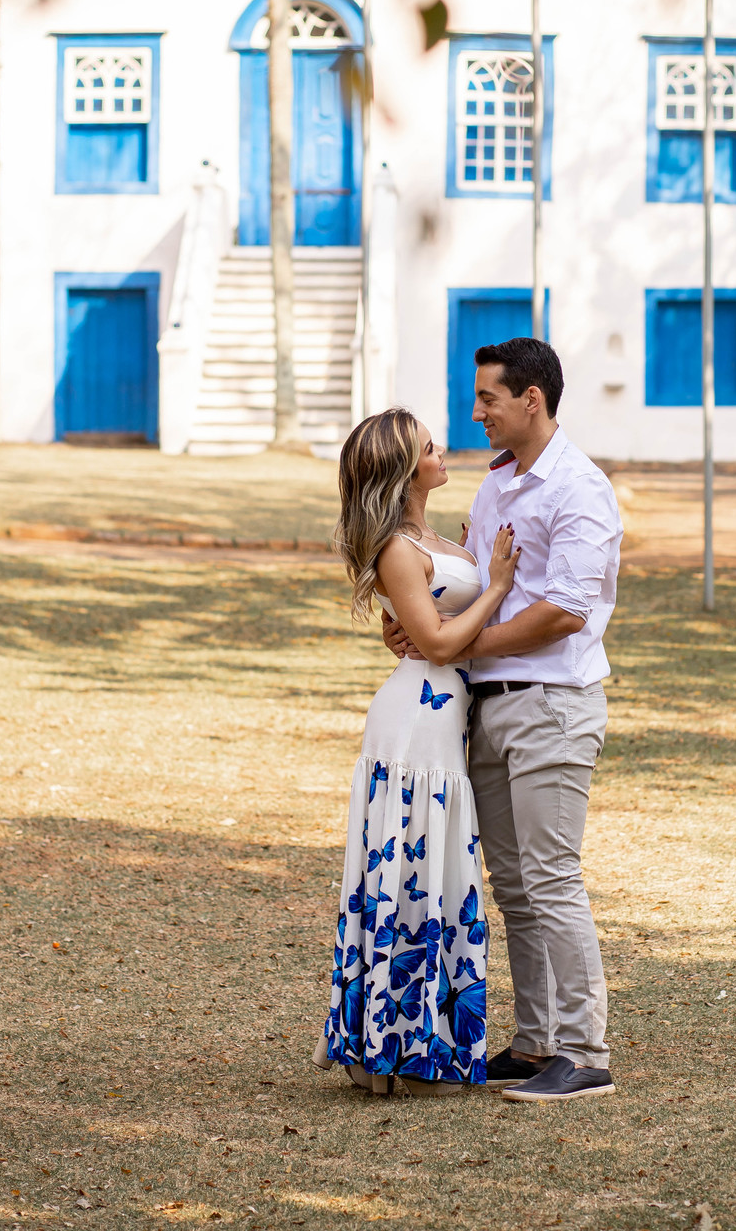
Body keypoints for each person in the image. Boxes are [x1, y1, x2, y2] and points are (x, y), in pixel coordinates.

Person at [384, 338, 622, 1103]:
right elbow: (479, 584)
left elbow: (563, 612)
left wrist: (464, 642)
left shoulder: (579, 489)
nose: (476, 412)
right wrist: (423, 628)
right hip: (486, 703)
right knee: (514, 887)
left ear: (532, 399)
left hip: (550, 705)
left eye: (489, 398)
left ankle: (585, 1054)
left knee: (552, 879)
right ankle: (534, 1042)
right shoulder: (497, 486)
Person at [314, 407, 522, 1093]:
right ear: (406, 468)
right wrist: (491, 583)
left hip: (442, 724)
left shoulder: (429, 537)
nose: (443, 452)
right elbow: (433, 643)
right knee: (407, 876)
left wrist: (427, 606)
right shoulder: (399, 546)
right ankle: (387, 1049)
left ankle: (412, 1044)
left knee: (430, 878)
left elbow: (417, 621)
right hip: (414, 731)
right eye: (431, 447)